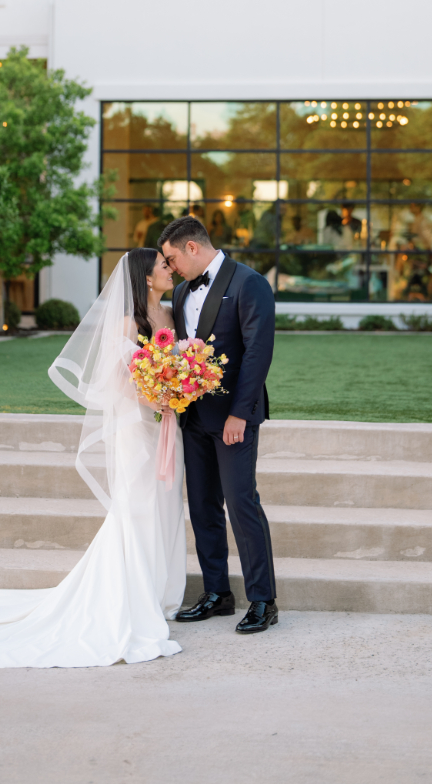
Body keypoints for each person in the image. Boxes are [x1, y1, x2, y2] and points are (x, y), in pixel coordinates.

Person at [0, 248, 186, 668]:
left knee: (166, 502)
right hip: (137, 428)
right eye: (162, 265)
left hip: (165, 427)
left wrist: (178, 392)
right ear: (144, 277)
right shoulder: (126, 323)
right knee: (137, 507)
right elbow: (115, 383)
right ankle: (133, 596)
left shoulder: (170, 317)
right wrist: (159, 398)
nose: (169, 269)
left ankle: (162, 591)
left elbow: (175, 364)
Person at [159, 215, 278, 635]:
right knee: (203, 507)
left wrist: (239, 415)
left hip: (233, 418)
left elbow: (257, 353)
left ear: (192, 247)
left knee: (242, 505)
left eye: (172, 259)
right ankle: (217, 594)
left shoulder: (249, 284)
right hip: (192, 417)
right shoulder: (178, 292)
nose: (170, 268)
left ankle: (263, 600)